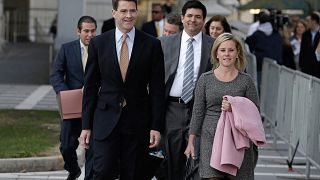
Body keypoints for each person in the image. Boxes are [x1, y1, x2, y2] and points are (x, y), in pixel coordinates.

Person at [79, 0, 165, 179]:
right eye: (124, 11)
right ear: (114, 13)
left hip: (137, 122)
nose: (128, 15)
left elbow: (157, 89)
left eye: (132, 11)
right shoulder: (99, 44)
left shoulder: (152, 44)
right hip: (105, 120)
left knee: (133, 174)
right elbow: (91, 88)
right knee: (101, 171)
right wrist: (86, 126)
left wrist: (156, 126)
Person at [185, 33, 259, 179]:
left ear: (237, 53)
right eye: (222, 50)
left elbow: (255, 112)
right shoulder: (205, 79)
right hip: (210, 139)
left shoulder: (246, 81)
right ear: (216, 54)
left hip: (238, 141)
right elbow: (198, 112)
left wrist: (235, 107)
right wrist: (191, 142)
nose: (227, 54)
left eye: (231, 50)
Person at [159, 0, 214, 179]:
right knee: (172, 162)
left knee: (198, 162)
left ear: (204, 20)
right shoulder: (164, 43)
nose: (193, 20)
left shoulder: (213, 45)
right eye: (189, 16)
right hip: (172, 110)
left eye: (198, 17)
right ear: (182, 18)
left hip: (201, 110)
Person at [50, 15, 97, 180]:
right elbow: (56, 74)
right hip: (72, 105)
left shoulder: (101, 48)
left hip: (94, 107)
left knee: (92, 147)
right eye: (86, 31)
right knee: (67, 146)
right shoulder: (66, 49)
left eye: (92, 31)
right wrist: (65, 93)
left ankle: (89, 177)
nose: (89, 35)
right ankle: (73, 169)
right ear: (78, 31)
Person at [245, 13, 282, 91]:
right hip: (275, 65)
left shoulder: (257, 34)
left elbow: (248, 43)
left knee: (259, 86)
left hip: (260, 65)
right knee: (272, 88)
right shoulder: (277, 35)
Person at [299, 12, 320, 78]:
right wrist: (301, 65)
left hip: (318, 69)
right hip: (306, 68)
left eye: (308, 21)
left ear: (314, 21)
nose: (306, 23)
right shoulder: (305, 34)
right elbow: (302, 50)